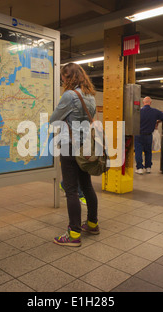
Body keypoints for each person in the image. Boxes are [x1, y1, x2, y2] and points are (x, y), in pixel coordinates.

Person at [49, 63, 99, 247]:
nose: (63, 81)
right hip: (85, 147)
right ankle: (92, 224)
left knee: (71, 190)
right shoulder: (91, 96)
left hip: (70, 147)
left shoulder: (69, 96)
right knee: (86, 186)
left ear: (68, 78)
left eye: (64, 78)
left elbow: (54, 120)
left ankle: (74, 234)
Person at [135, 96, 163, 174]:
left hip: (138, 135)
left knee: (138, 152)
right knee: (148, 152)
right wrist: (157, 121)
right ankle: (148, 168)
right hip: (149, 135)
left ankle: (139, 168)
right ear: (150, 103)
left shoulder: (138, 111)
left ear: (143, 103)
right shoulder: (155, 111)